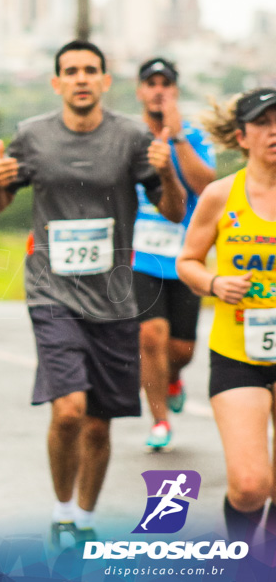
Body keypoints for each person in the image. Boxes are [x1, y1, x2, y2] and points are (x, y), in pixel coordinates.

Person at [0, 40, 185, 546]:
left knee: (98, 425)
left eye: (90, 70)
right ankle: (62, 511)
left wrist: (164, 172)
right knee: (68, 409)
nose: (80, 78)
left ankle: (86, 519)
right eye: (70, 71)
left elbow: (176, 211)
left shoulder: (132, 138)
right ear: (56, 83)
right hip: (52, 292)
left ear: (104, 81)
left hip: (115, 298)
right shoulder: (32, 136)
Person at [176, 88, 276, 546]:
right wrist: (215, 283)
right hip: (239, 351)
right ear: (241, 135)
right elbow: (188, 261)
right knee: (252, 484)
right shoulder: (221, 195)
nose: (274, 130)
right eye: (263, 122)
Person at [131, 58, 216, 450]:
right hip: (139, 256)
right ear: (140, 91)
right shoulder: (129, 137)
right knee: (152, 335)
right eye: (151, 83)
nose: (159, 90)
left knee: (180, 349)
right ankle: (160, 421)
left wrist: (178, 137)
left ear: (176, 91)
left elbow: (206, 185)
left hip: (184, 256)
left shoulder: (195, 137)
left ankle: (172, 376)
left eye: (166, 83)